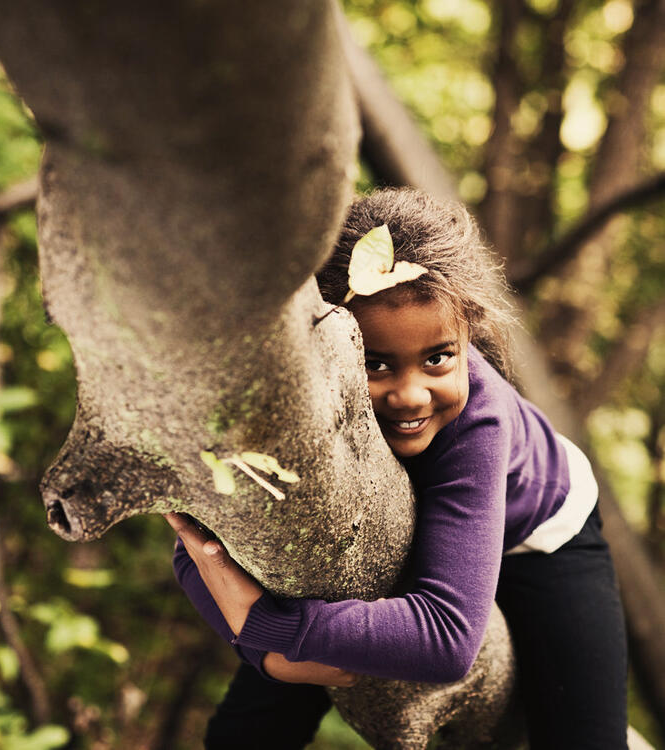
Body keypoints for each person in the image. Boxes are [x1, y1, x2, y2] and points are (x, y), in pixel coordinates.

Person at [166, 188, 628, 749]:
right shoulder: (297, 404)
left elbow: (447, 641)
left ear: (468, 335)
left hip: (540, 534)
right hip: (388, 532)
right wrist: (264, 655)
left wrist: (269, 628)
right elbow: (198, 543)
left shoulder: (474, 420)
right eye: (375, 363)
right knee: (250, 725)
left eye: (438, 358)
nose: (411, 395)